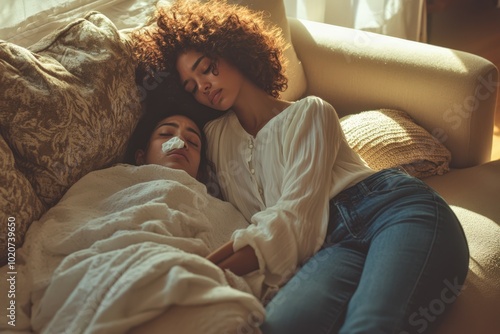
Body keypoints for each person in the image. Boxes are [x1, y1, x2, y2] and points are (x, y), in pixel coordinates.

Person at [132, 1, 470, 333]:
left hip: (390, 210)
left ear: (232, 50)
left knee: (372, 324)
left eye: (206, 68)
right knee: (279, 326)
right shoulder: (215, 138)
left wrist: (199, 271)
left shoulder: (310, 112)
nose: (203, 87)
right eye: (192, 86)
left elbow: (296, 219)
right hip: (329, 245)